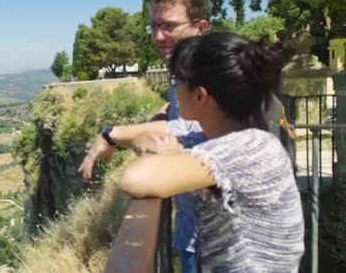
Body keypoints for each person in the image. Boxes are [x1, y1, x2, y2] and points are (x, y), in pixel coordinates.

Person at [120, 33, 304, 271]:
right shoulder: (220, 137)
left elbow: (134, 178)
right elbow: (148, 135)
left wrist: (165, 153)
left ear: (199, 95)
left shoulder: (249, 150)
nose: (173, 90)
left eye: (177, 81)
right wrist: (155, 147)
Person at [78, 0, 209, 272]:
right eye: (154, 25)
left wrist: (116, 136)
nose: (159, 36)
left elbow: (186, 134)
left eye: (170, 26)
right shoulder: (184, 74)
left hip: (216, 249)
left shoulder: (209, 80)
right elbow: (172, 113)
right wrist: (149, 125)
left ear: (200, 27)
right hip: (192, 236)